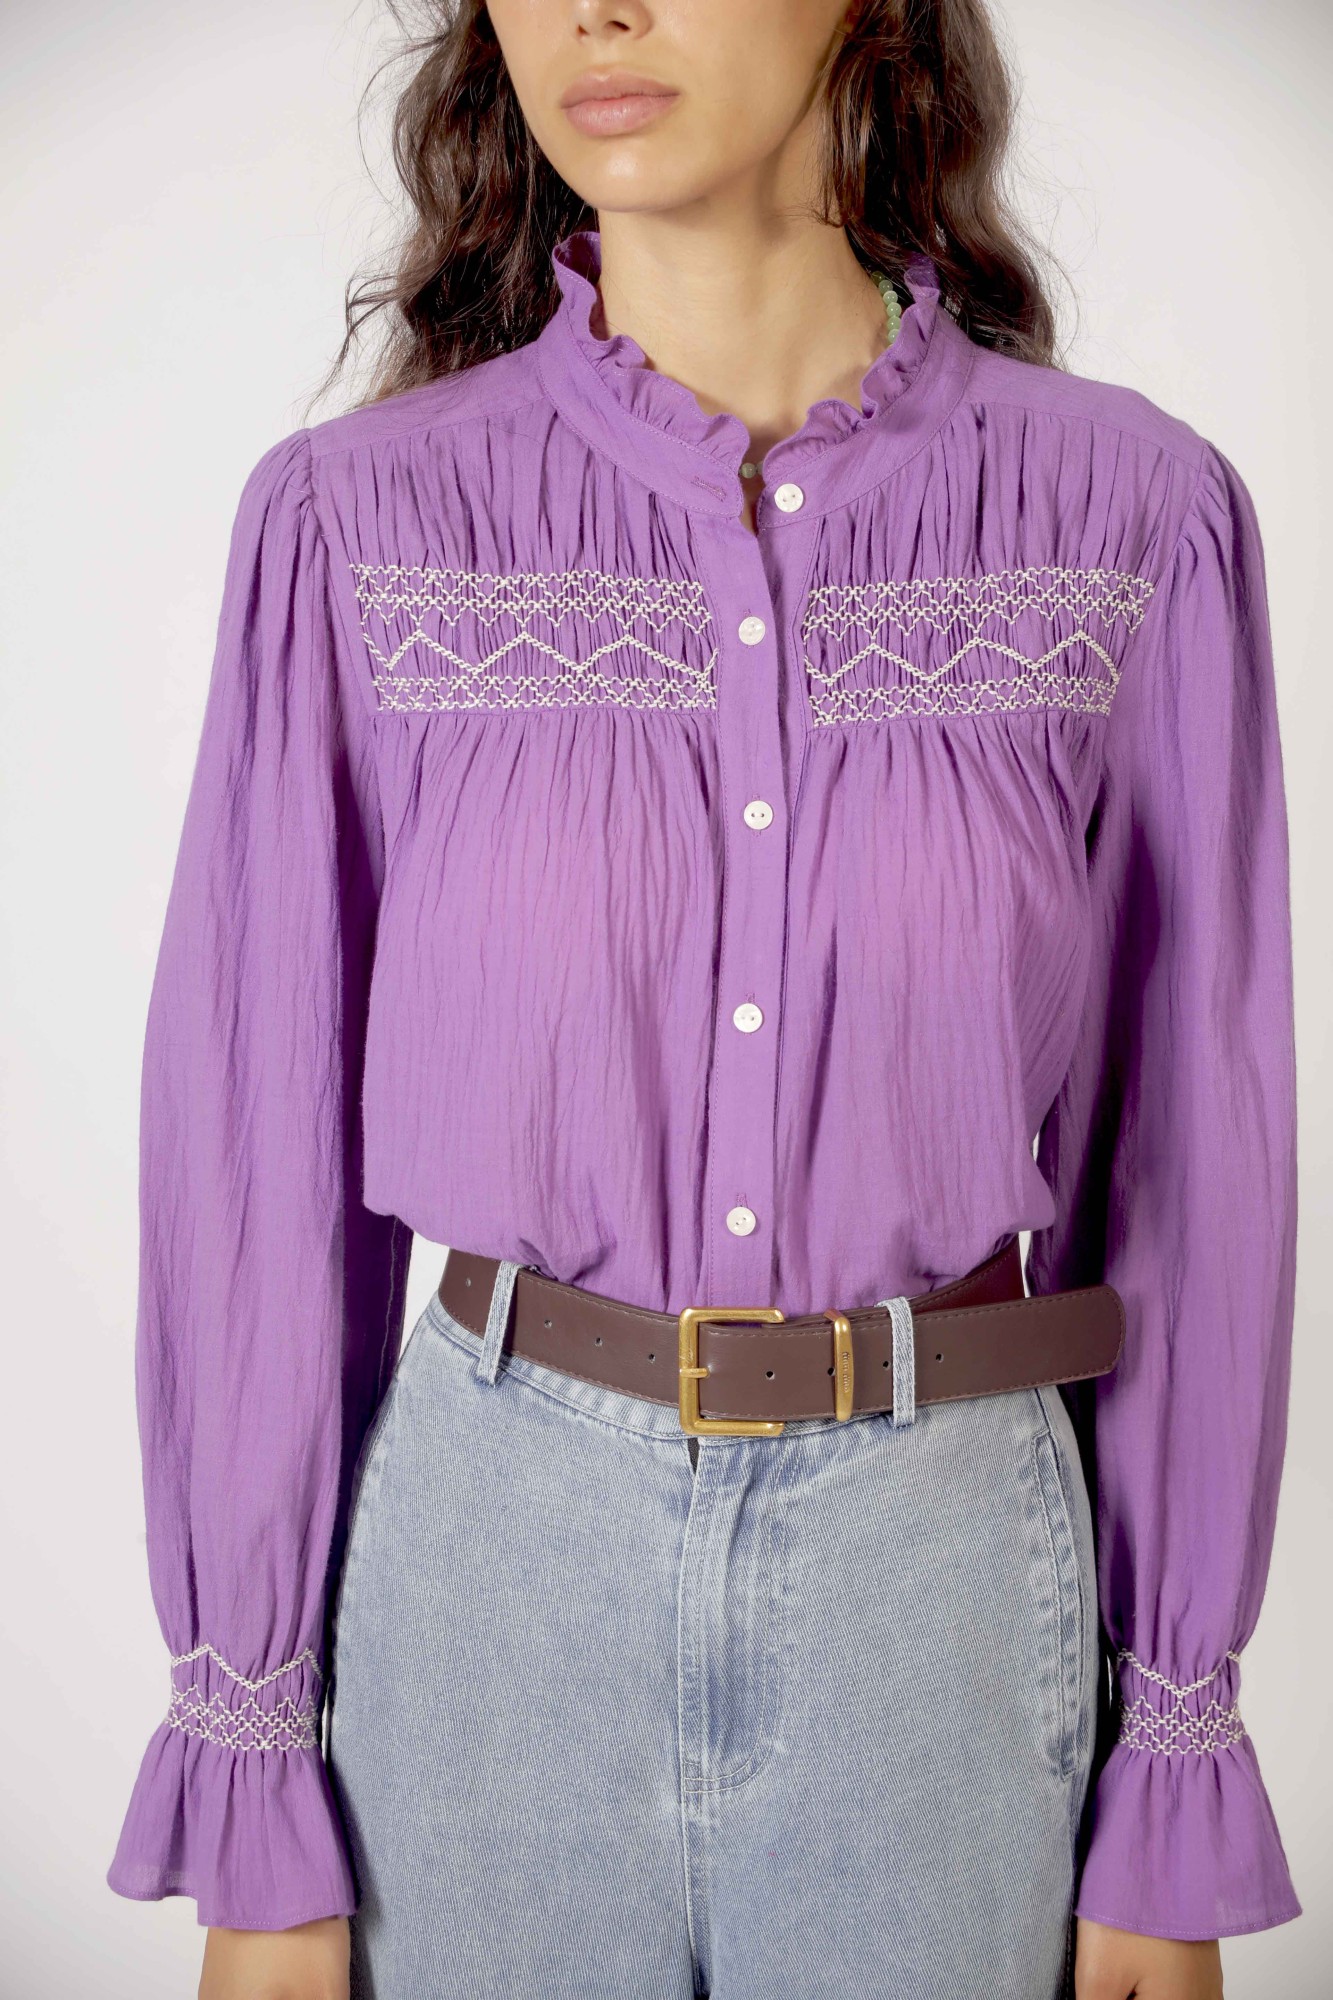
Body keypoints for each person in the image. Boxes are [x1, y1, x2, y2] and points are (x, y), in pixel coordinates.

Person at [107, 3, 1302, 1997]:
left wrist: (1171, 1754)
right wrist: (256, 1770)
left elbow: (1197, 1151)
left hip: (939, 1578)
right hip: (489, 1574)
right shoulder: (353, 526)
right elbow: (252, 1161)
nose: (598, 7)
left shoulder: (1128, 517)